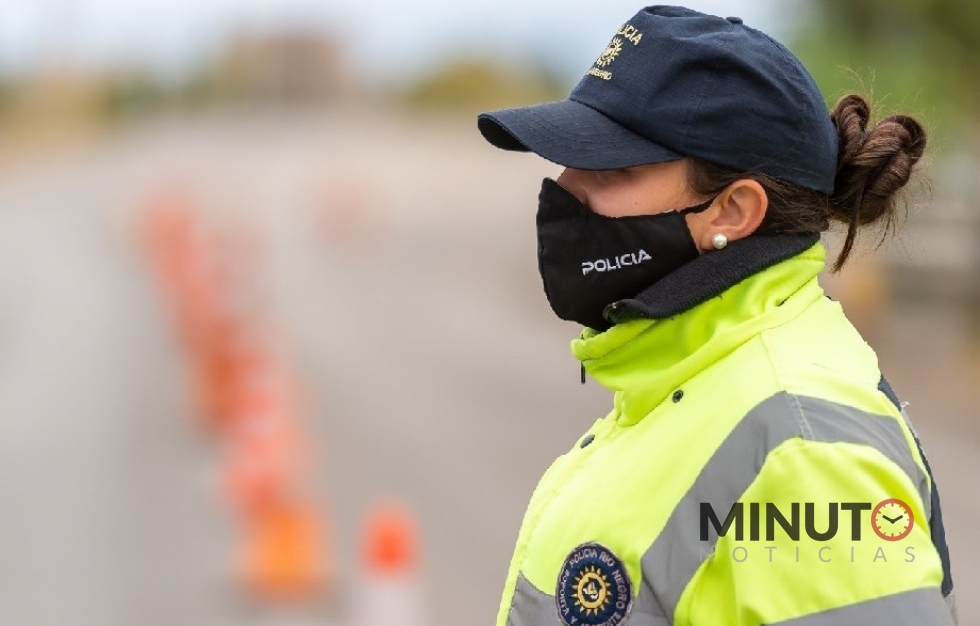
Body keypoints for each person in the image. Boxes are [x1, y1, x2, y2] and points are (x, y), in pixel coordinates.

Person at [476, 6, 956, 626]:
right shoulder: (680, 382)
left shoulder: (804, 451)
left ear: (732, 211)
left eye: (610, 167)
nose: (564, 187)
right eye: (568, 159)